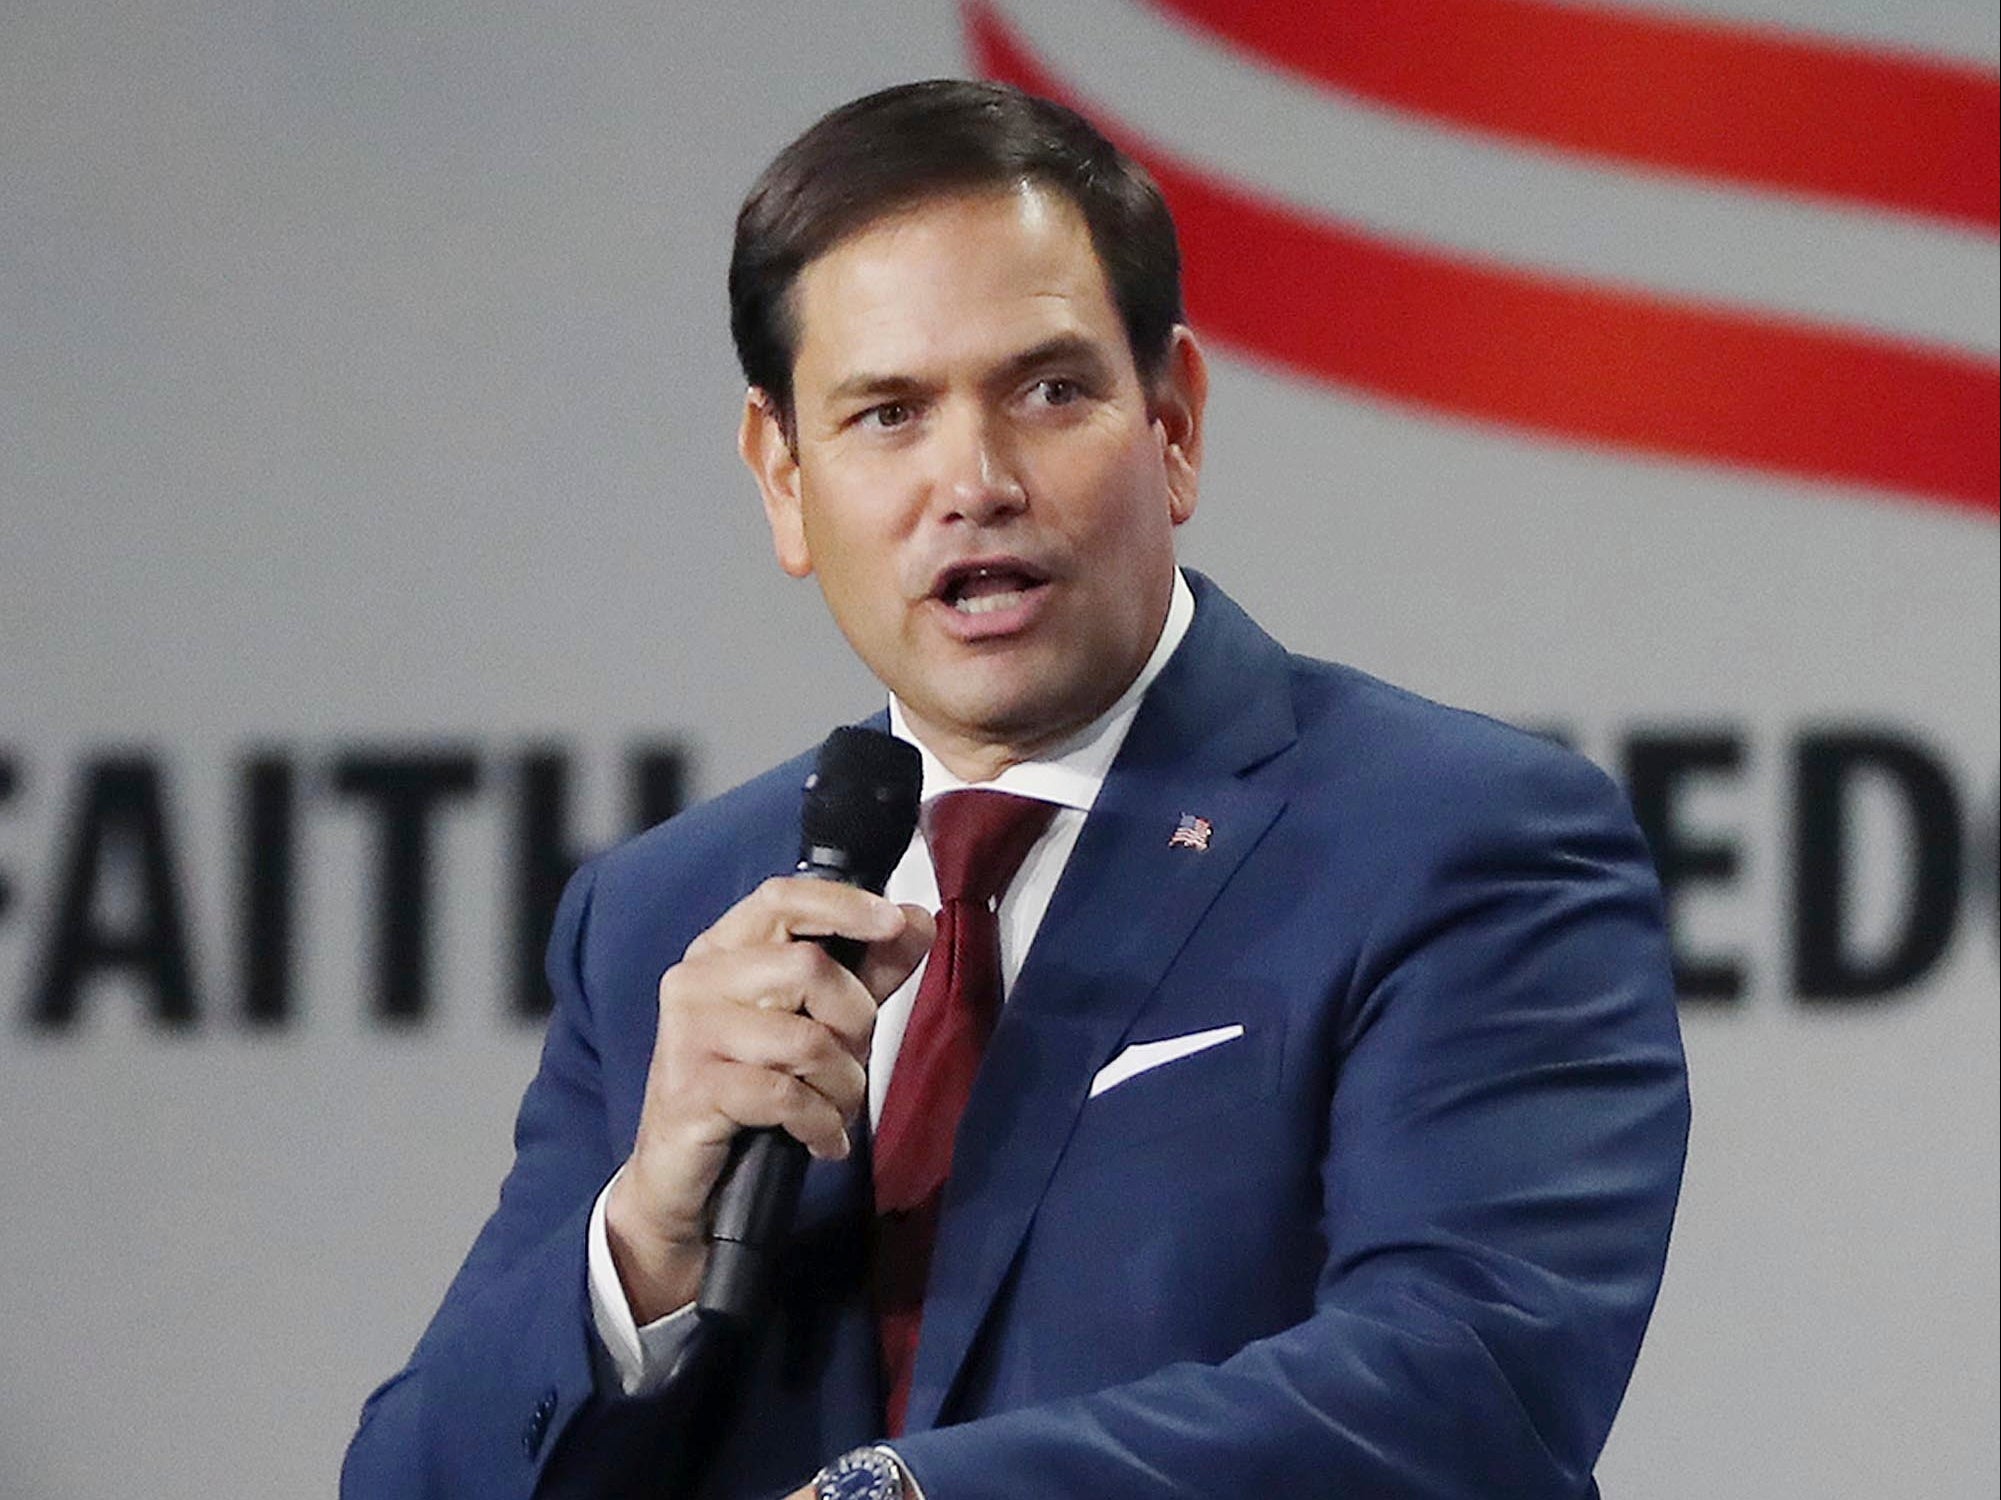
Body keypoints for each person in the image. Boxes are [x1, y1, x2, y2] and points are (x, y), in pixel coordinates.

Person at [341, 79, 1689, 1500]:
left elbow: (1469, 1387)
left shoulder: (1451, 837)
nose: (972, 480)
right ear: (781, 479)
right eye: (885, 414)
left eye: (1048, 391)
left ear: (1171, 423)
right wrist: (642, 1240)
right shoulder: (660, 918)